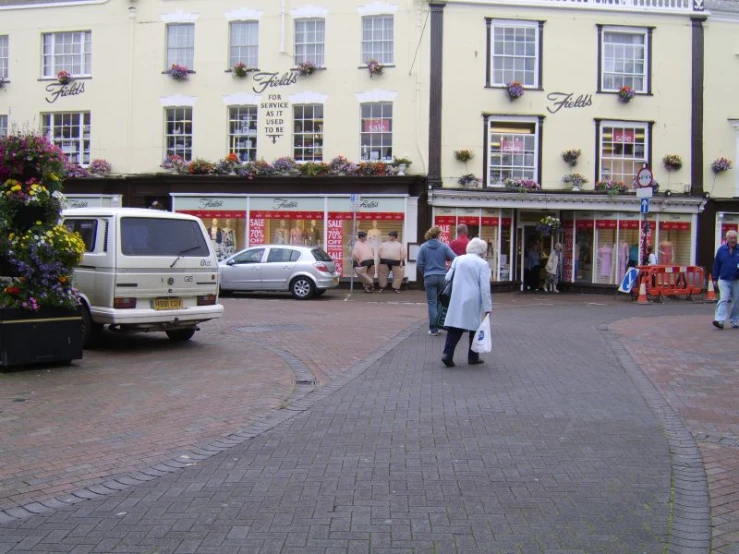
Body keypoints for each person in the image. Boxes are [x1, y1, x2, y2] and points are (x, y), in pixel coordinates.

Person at [440, 237, 492, 367]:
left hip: (457, 296)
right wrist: (487, 307)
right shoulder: (482, 264)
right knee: (474, 327)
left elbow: (447, 277)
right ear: (482, 250)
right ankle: (473, 356)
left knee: (455, 326)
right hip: (473, 298)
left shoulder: (458, 259)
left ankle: (447, 354)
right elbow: (485, 288)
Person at [416, 226, 456, 335]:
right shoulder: (443, 247)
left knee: (432, 302)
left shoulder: (423, 247)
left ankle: (433, 329)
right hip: (442, 277)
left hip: (429, 277)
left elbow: (419, 263)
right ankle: (440, 324)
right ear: (438, 235)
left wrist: (424, 273)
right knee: (440, 303)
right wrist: (449, 270)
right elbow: (455, 258)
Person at [711, 230, 739, 329]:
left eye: (734, 238)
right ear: (727, 239)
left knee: (737, 301)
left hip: (736, 279)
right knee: (723, 299)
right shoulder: (721, 250)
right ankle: (720, 320)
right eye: (731, 238)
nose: (733, 240)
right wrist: (714, 278)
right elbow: (716, 264)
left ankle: (735, 320)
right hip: (724, 279)